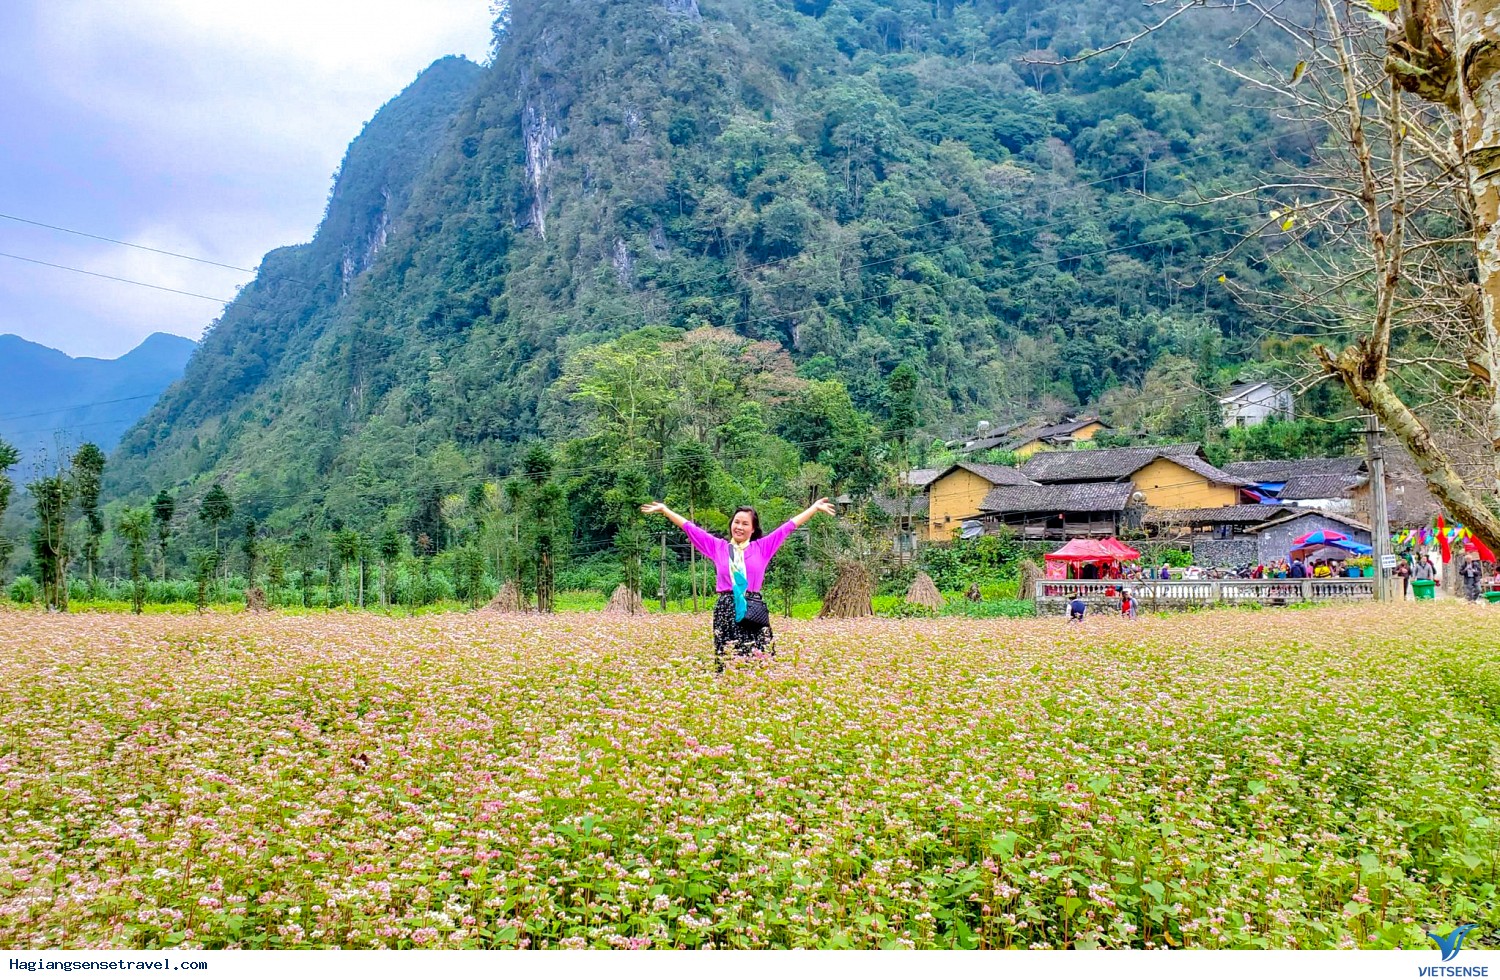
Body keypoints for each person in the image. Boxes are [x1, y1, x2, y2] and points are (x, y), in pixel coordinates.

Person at [642, 496, 835, 671]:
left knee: (760, 659)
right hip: (726, 609)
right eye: (736, 522)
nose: (739, 527)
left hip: (753, 609)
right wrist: (665, 510)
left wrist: (814, 508)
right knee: (728, 661)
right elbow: (691, 528)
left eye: (745, 523)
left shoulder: (762, 547)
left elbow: (788, 527)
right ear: (731, 525)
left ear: (753, 528)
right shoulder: (719, 548)